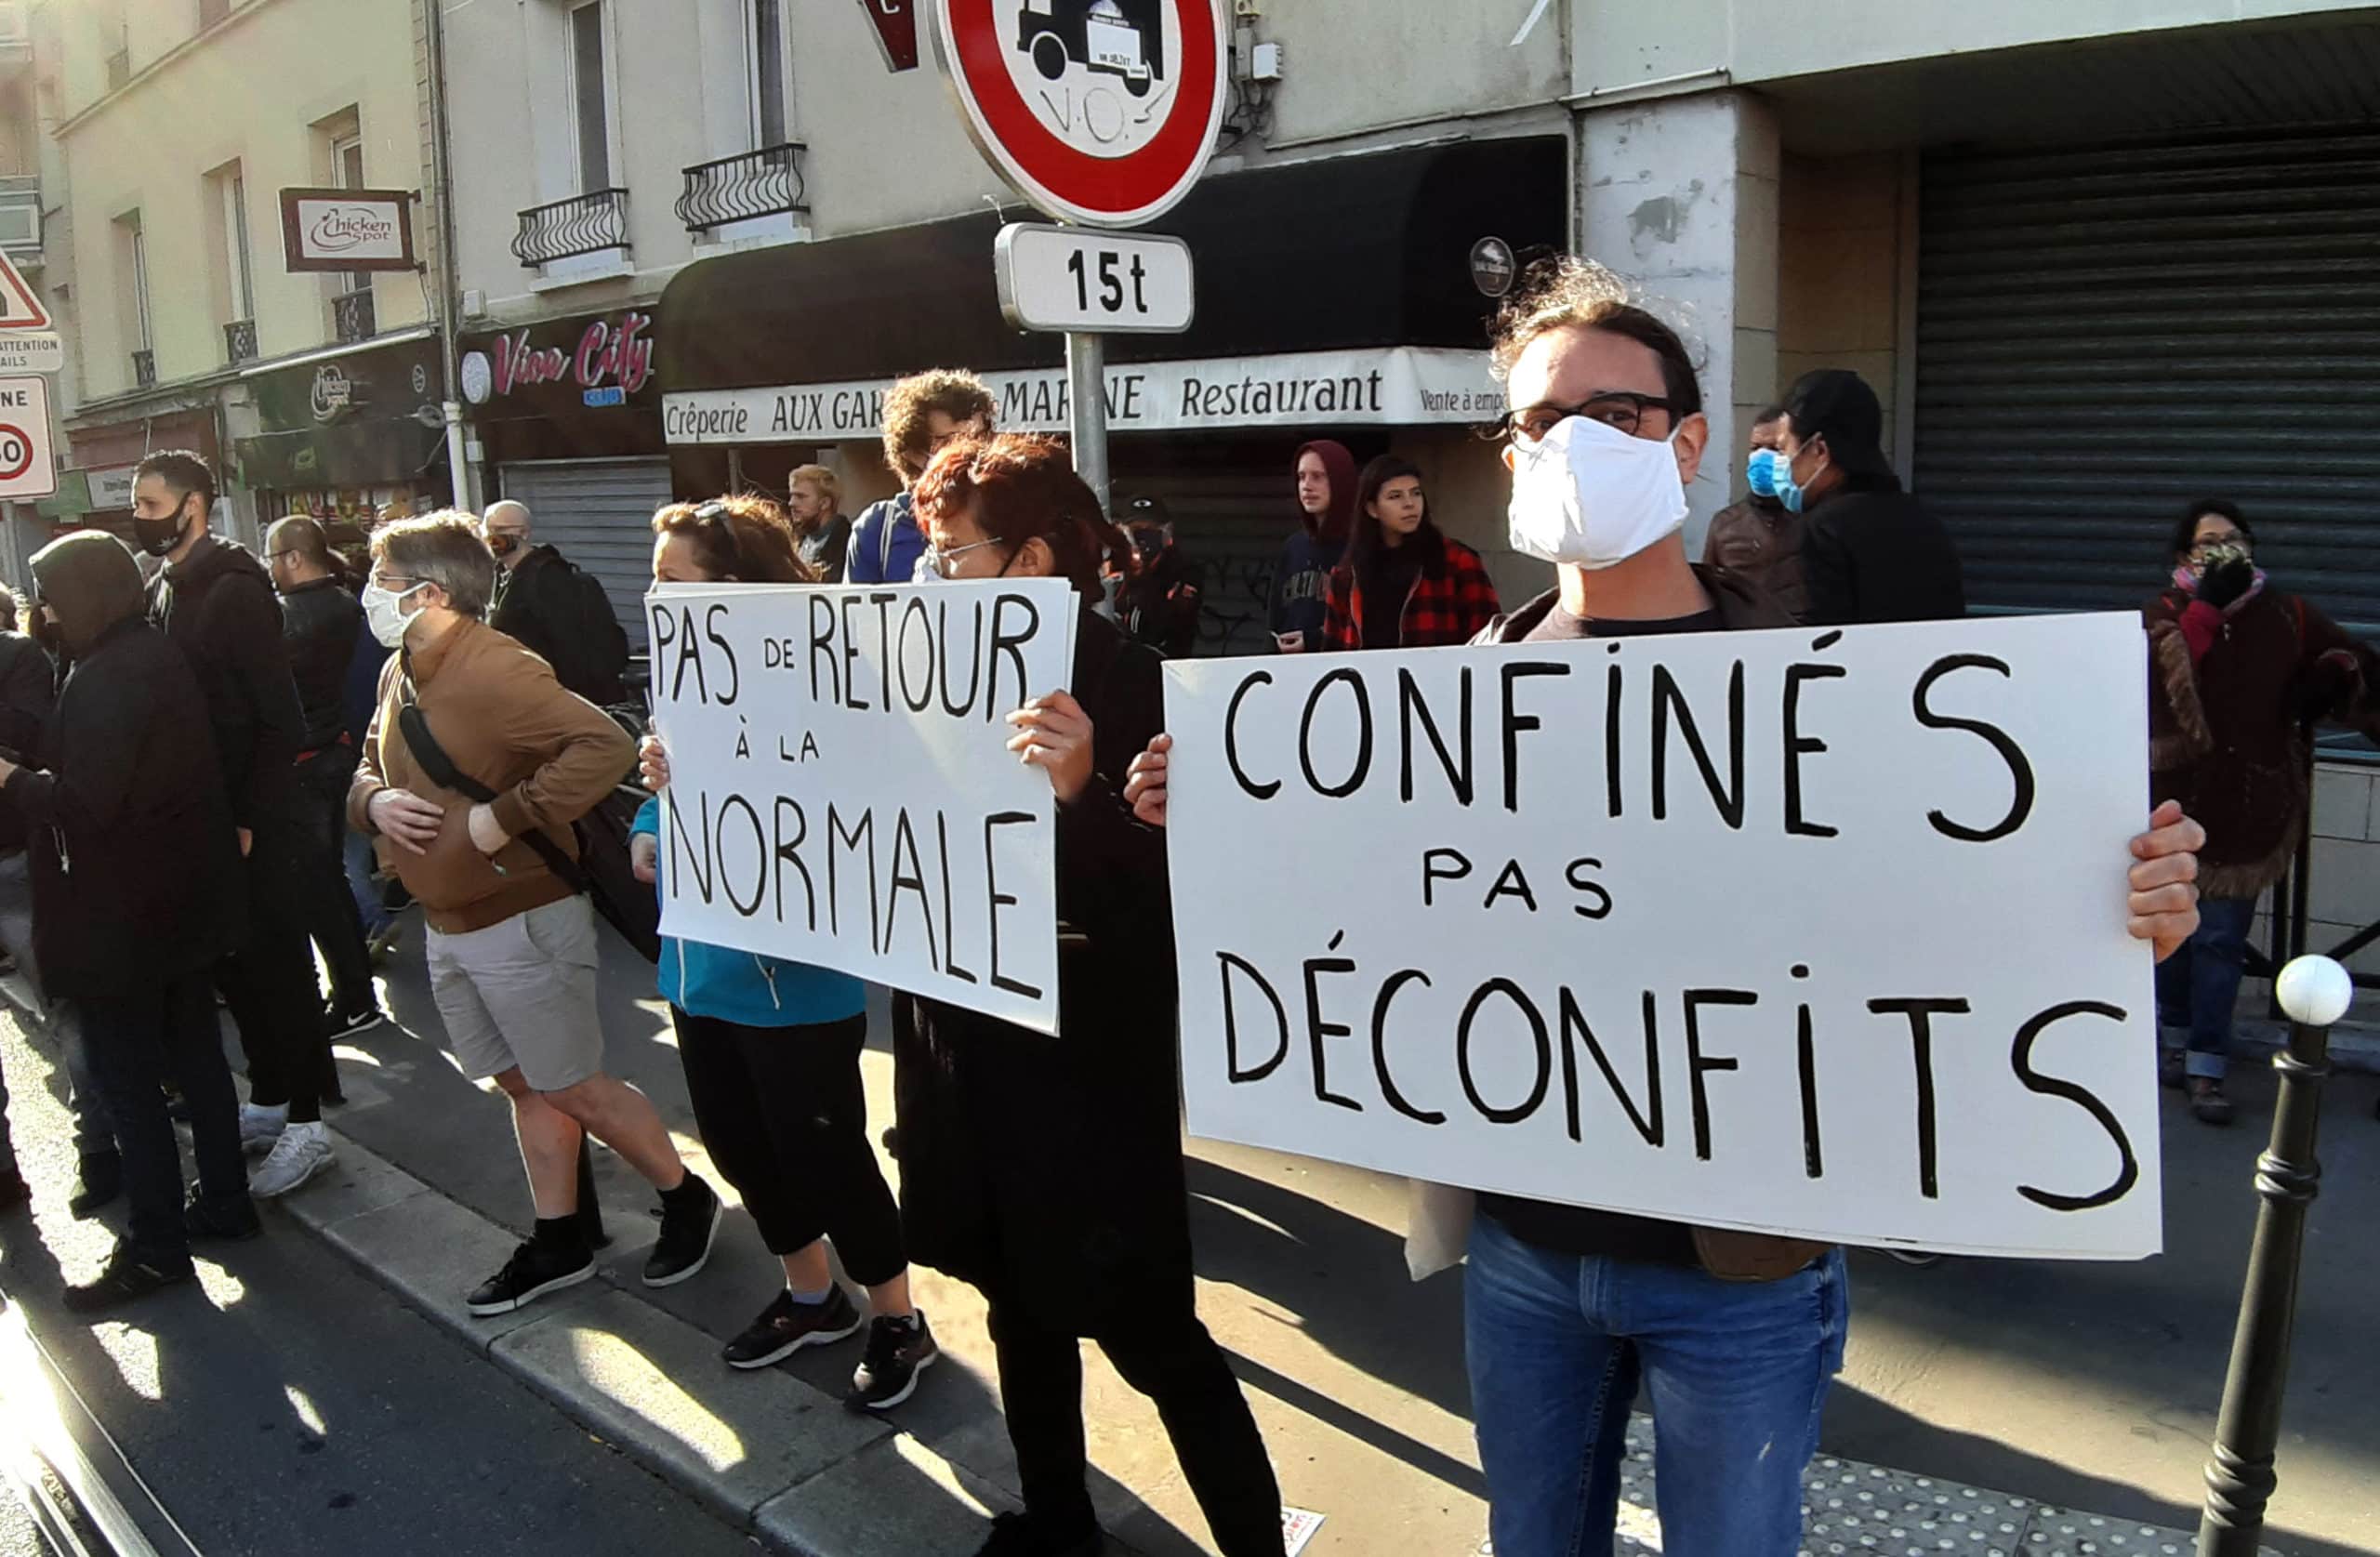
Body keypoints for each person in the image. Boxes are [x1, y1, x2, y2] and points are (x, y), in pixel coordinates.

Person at [1122, 257, 2207, 1557]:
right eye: (1537, 421)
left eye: (1615, 415)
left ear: (1689, 442)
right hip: (1522, 1249)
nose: (1571, 442)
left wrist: (2112, 908)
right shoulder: (1464, 685)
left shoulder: (1809, 685)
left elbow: (1931, 910)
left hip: (1739, 1274)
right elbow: (1390, 900)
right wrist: (1228, 812)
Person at [901, 434, 1284, 1557]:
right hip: (966, 1045)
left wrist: (1082, 798)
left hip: (1081, 1071)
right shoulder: (917, 667)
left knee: (1152, 1329)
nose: (927, 573)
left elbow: (1181, 906)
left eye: (948, 550)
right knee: (1015, 1305)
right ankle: (1059, 1521)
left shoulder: (1130, 679)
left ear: (1025, 560)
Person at [348, 513, 721, 1316]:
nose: (368, 593)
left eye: (381, 579)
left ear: (431, 593)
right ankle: (562, 1236)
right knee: (524, 1083)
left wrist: (504, 816)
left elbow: (606, 746)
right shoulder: (401, 670)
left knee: (572, 1083)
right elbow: (368, 764)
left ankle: (685, 1195)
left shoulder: (495, 668)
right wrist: (372, 800)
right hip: (448, 920)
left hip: (522, 915)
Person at [628, 496, 936, 1403]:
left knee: (829, 1155)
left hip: (794, 980)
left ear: (733, 586)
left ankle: (895, 1316)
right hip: (698, 964)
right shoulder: (686, 672)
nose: (652, 591)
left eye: (670, 577)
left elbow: (875, 795)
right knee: (739, 1147)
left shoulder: (831, 673)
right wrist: (651, 810)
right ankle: (811, 1293)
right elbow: (670, 767)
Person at [0, 532, 255, 1311]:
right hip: (177, 907)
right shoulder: (150, 652)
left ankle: (155, 1246)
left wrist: (12, 777)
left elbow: (84, 806)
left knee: (129, 1083)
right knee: (198, 1063)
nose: (44, 610)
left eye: (53, 593)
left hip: (121, 920)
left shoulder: (108, 673)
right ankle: (223, 1202)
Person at [134, 450, 337, 1200]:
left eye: (152, 505)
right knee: (237, 969)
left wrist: (251, 817)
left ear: (195, 505)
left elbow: (276, 717)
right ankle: (273, 1099)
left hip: (253, 823)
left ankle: (310, 1124)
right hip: (203, 819)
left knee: (280, 970)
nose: (142, 518)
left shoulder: (234, 590)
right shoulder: (166, 587)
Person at [2147, 499, 2380, 1126]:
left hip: (2248, 805)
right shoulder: (2165, 612)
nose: (2224, 552)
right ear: (2183, 557)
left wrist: (2331, 676)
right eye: (2208, 544)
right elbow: (2149, 679)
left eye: (2234, 541)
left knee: (2221, 939)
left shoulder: (2287, 612)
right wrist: (2205, 610)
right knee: (2170, 937)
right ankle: (2168, 1041)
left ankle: (2206, 1064)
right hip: (2169, 804)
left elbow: (2351, 660)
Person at [267, 517, 384, 1041]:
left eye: (272, 556)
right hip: (339, 753)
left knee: (320, 888)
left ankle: (354, 998)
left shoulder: (290, 617)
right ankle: (356, 992)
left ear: (293, 557)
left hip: (308, 764)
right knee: (334, 881)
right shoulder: (346, 604)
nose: (268, 568)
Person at [1770, 370, 1964, 626]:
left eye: (1783, 449)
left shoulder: (1819, 532)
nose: (1779, 463)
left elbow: (1809, 643)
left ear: (1819, 451)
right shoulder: (1926, 522)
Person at [1318, 455, 1500, 651]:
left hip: (1441, 678)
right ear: (1372, 509)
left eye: (1416, 493)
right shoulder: (1347, 574)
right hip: (1368, 679)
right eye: (1395, 496)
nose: (1410, 504)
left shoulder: (1458, 562)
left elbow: (1488, 642)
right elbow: (1331, 651)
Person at [847, 370, 997, 586]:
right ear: (914, 454)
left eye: (981, 438)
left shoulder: (1006, 516)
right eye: (953, 441)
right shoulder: (877, 530)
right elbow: (855, 617)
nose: (973, 450)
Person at [0, 587, 51, 1211]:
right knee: (65, 1008)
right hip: (14, 850)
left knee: (67, 1008)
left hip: (14, 852)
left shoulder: (16, 656)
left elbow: (24, 739)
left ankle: (102, 1143)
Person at [483, 499, 632, 706]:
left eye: (500, 529)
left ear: (524, 533)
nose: (492, 537)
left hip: (552, 699)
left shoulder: (547, 578)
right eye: (488, 529)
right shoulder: (501, 577)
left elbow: (569, 645)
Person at [1701, 403, 1810, 616]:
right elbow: (1709, 595)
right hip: (1743, 640)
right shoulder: (1725, 524)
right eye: (1755, 448)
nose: (1762, 457)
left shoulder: (1815, 520)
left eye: (1774, 449)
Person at [1265, 440, 1354, 653]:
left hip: (1343, 674)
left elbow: (1365, 625)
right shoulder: (1294, 546)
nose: (1306, 486)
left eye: (1318, 476)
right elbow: (1274, 618)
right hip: (1291, 673)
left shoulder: (1361, 547)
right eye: (1301, 477)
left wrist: (1313, 640)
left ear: (1340, 481)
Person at [1116, 495, 1203, 658]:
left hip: (1165, 669)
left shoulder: (1184, 571)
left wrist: (1143, 575)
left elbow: (1167, 624)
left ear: (1165, 532)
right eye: (1135, 530)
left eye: (1150, 529)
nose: (1142, 537)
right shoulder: (1117, 568)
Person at [787, 464, 853, 581]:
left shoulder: (846, 543)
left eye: (800, 496)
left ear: (824, 503)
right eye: (792, 496)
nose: (791, 503)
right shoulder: (803, 540)